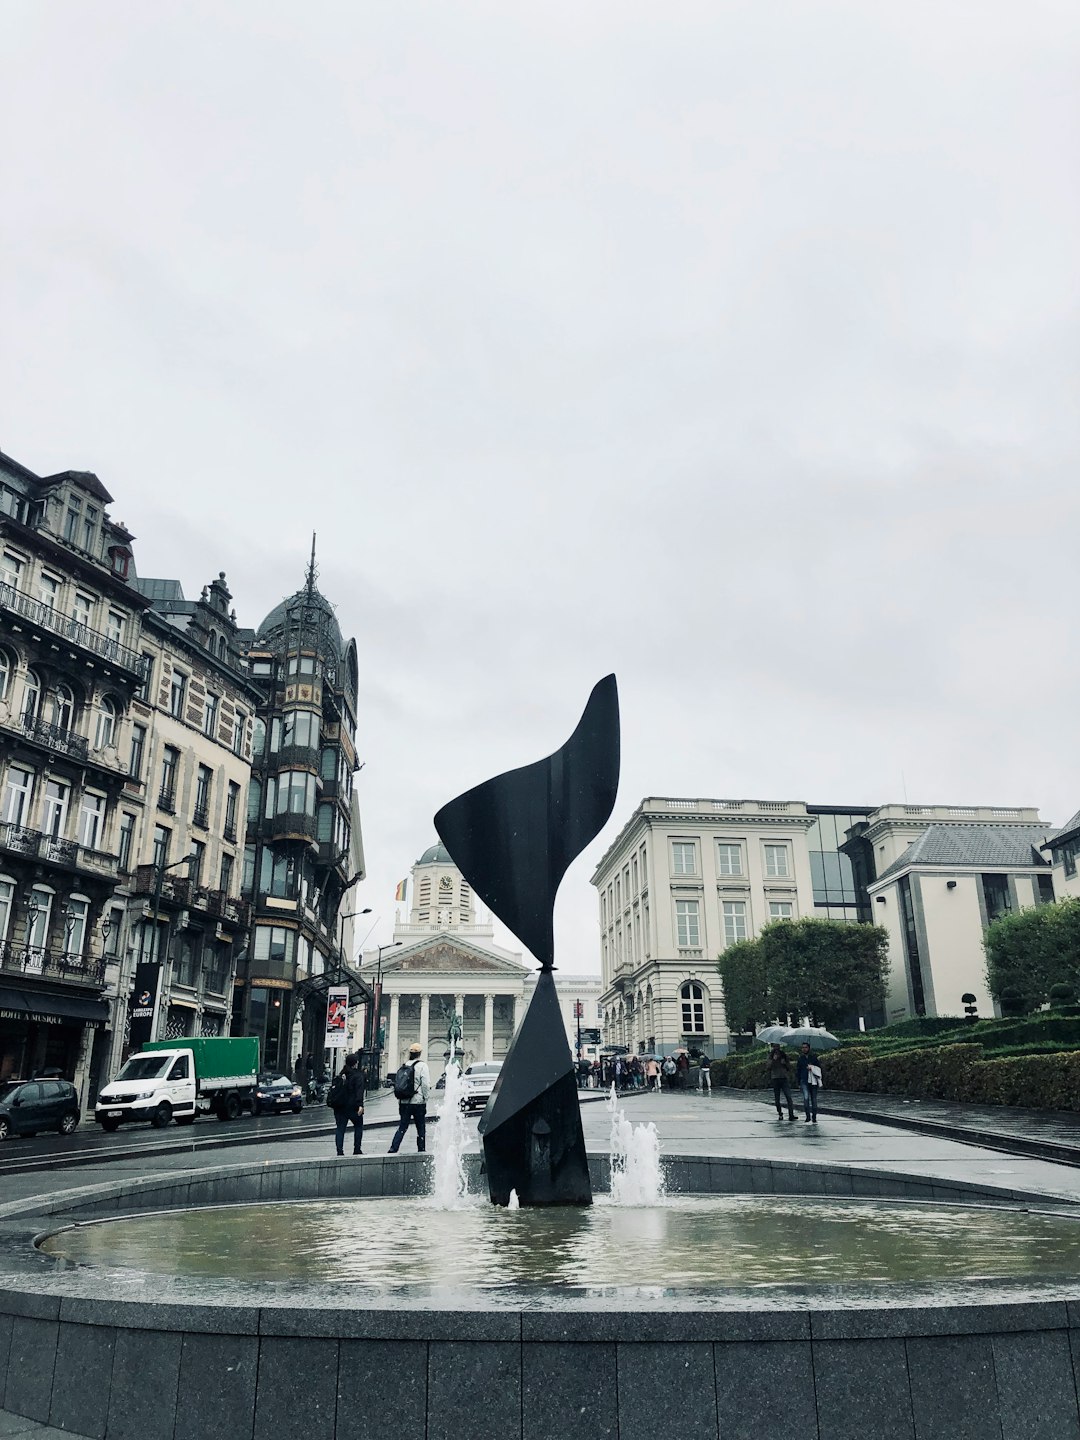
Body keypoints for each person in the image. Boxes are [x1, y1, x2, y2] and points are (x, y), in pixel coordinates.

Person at [388, 1042, 430, 1153]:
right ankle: (421, 1149)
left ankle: (393, 1148)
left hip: (404, 1102)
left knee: (402, 1126)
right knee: (420, 1127)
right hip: (418, 1102)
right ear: (420, 1053)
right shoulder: (422, 1066)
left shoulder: (404, 1065)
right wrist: (426, 1098)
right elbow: (425, 1084)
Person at [329, 1052, 365, 1156]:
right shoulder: (358, 1075)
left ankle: (339, 1151)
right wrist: (360, 1105)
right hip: (353, 1106)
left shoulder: (341, 1074)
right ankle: (357, 1149)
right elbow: (359, 1091)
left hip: (340, 1106)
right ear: (355, 1063)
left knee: (340, 1129)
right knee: (358, 1126)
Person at [767, 1044, 796, 1121]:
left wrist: (785, 1063)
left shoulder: (784, 1055)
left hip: (784, 1078)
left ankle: (791, 1115)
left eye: (778, 1046)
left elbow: (789, 1067)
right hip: (775, 1079)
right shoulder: (770, 1055)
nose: (776, 1048)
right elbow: (768, 1067)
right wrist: (773, 1060)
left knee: (789, 1097)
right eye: (775, 1046)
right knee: (777, 1099)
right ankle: (780, 1113)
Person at [796, 1042, 820, 1123]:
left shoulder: (813, 1058)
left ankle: (814, 1116)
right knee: (806, 1098)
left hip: (813, 1081)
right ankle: (807, 1116)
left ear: (809, 1048)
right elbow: (798, 1071)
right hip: (804, 1080)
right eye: (803, 1047)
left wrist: (812, 1067)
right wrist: (798, 1082)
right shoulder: (800, 1059)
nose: (804, 1049)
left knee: (814, 1099)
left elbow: (819, 1068)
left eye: (806, 1047)